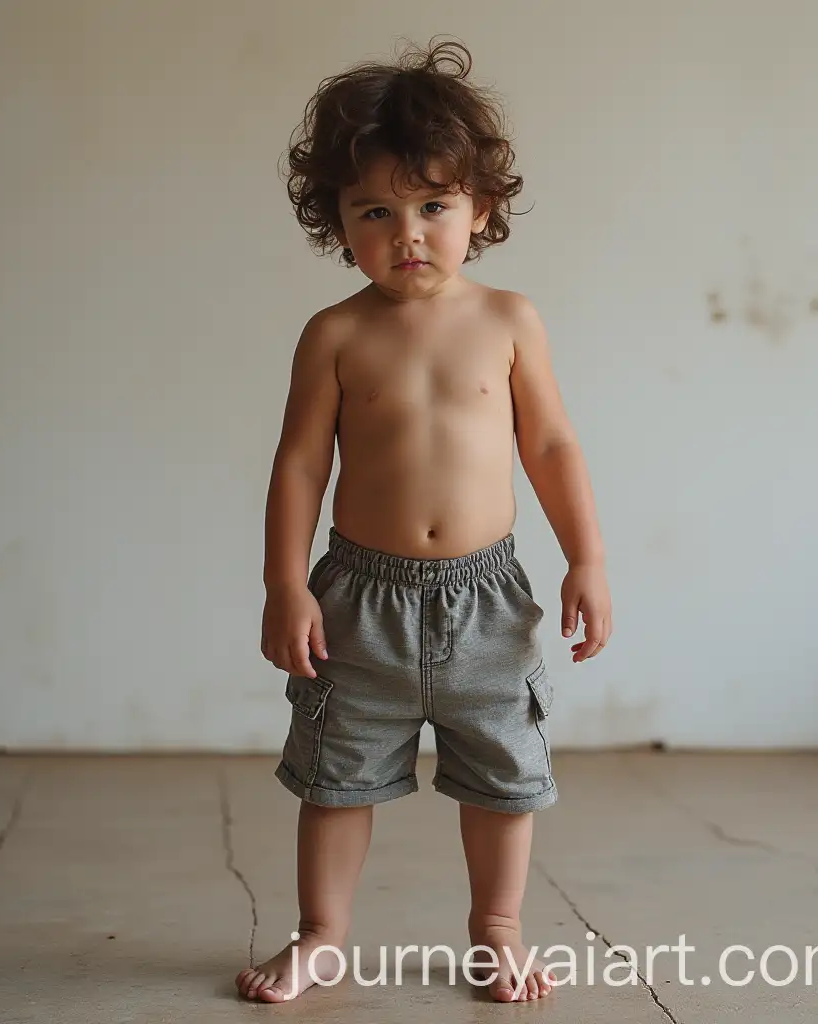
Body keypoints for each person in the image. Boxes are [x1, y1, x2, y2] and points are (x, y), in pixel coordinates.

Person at [237, 38, 612, 1004]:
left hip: (489, 598)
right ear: (339, 225)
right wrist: (285, 583)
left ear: (480, 209)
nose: (408, 232)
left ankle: (496, 929)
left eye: (433, 206)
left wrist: (587, 560)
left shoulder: (510, 321)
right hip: (361, 598)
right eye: (376, 211)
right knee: (337, 776)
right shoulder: (336, 334)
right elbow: (298, 464)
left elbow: (554, 448)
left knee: (501, 772)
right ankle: (321, 933)